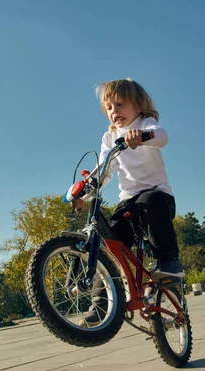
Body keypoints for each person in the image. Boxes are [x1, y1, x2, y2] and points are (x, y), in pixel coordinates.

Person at [74, 79, 183, 326]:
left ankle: (169, 263)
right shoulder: (109, 137)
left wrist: (143, 136)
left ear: (138, 106)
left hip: (157, 197)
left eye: (120, 104)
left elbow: (162, 137)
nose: (114, 111)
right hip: (129, 204)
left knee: (149, 201)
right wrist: (84, 192)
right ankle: (102, 305)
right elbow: (104, 170)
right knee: (109, 244)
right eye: (109, 108)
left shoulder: (146, 124)